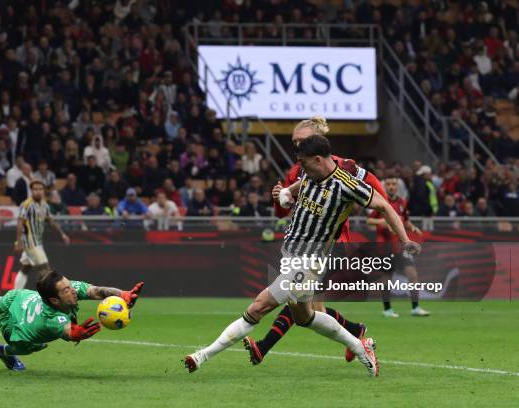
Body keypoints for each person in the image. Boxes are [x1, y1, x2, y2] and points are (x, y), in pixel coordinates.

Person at [184, 125, 420, 377]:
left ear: (318, 159)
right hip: (291, 256)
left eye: (304, 163)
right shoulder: (310, 174)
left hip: (310, 262)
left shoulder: (347, 184)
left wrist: (404, 238)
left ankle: (202, 356)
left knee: (259, 307)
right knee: (305, 317)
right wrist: (285, 193)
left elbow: (384, 205)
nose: (301, 169)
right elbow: (295, 189)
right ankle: (361, 345)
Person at [250, 116, 387, 365]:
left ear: (317, 140)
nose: (297, 147)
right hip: (304, 245)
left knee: (295, 294)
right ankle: (357, 334)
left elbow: (374, 185)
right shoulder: (295, 171)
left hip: (332, 245)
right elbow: (284, 210)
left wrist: (383, 210)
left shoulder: (342, 165)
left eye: (302, 141)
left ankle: (264, 346)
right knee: (312, 309)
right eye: (294, 142)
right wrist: (277, 198)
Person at [0, 270, 144, 371]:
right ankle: (3, 349)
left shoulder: (68, 291)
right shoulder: (50, 318)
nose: (72, 290)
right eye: (66, 290)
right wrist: (75, 334)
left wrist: (123, 294)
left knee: (0, 303)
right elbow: (67, 331)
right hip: (16, 327)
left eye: (69, 285)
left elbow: (96, 291)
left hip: (26, 298)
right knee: (0, 308)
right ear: (54, 301)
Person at [367, 177, 429, 317]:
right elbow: (369, 220)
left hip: (401, 246)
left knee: (413, 275)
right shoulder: (379, 201)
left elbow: (404, 221)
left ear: (397, 186)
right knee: (387, 277)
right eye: (388, 184)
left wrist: (413, 228)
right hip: (385, 247)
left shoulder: (402, 202)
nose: (391, 187)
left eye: (393, 184)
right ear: (384, 186)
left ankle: (415, 307)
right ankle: (387, 309)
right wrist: (381, 221)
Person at [14, 180, 70, 290]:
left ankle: (14, 294)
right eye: (35, 189)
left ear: (43, 191)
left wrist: (62, 234)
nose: (38, 191)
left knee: (25, 268)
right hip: (30, 242)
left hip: (38, 241)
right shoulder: (26, 205)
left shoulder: (44, 205)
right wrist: (18, 242)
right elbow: (20, 223)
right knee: (46, 268)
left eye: (40, 189)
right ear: (31, 191)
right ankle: (49, 295)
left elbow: (51, 221)